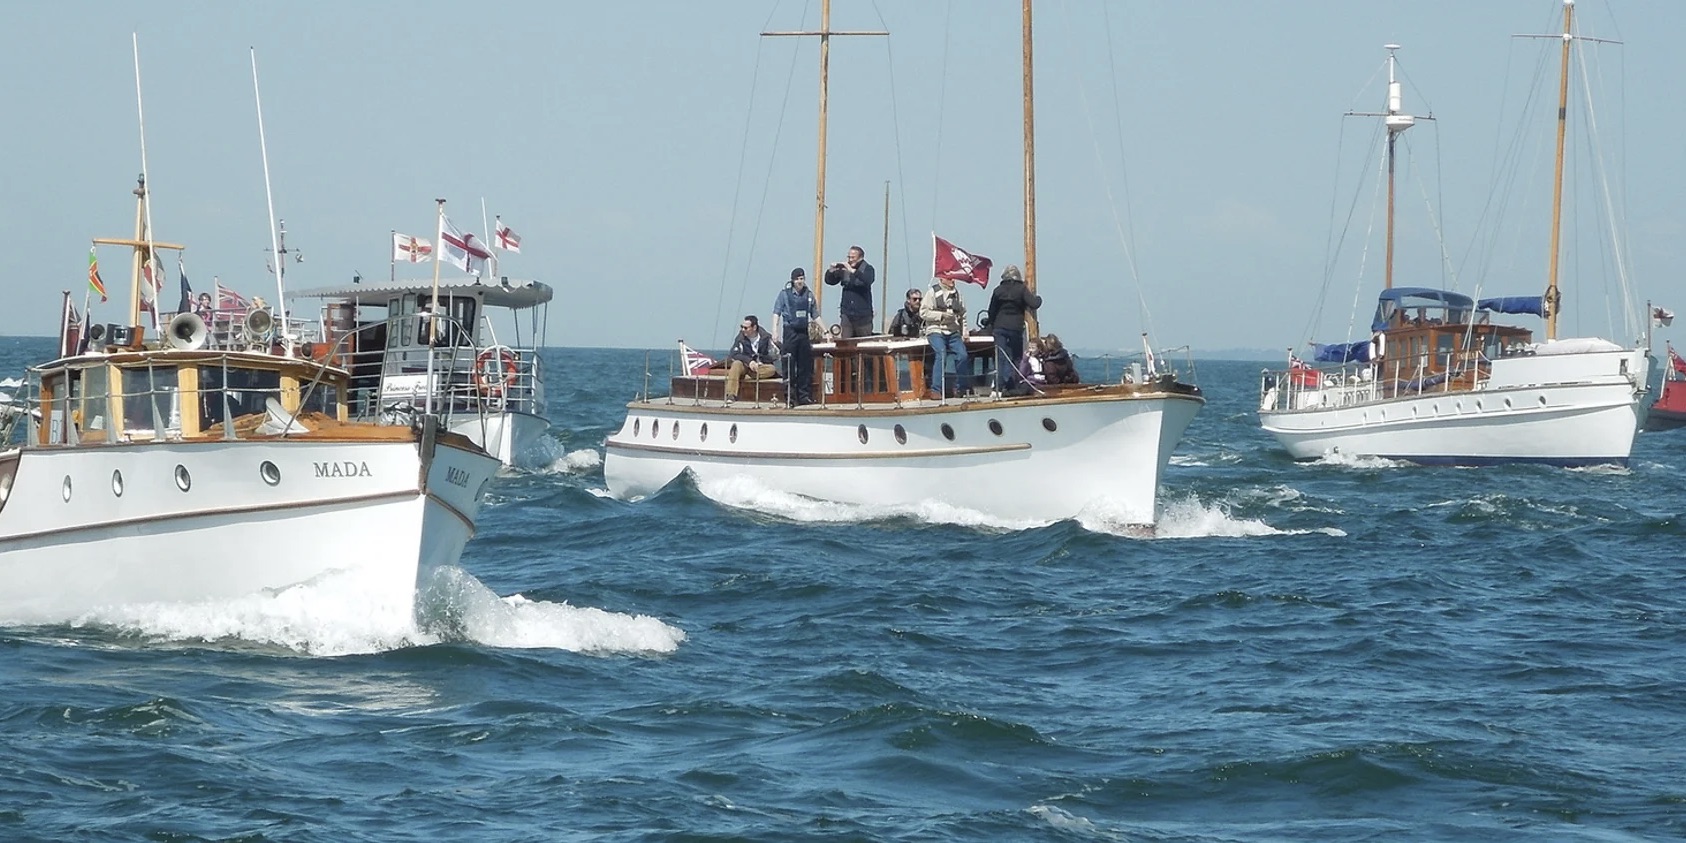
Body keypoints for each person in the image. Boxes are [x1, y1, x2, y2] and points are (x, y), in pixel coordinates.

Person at [985, 264, 1042, 395]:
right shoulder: (1021, 289)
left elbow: (991, 311)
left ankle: (998, 387)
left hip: (1000, 327)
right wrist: (1038, 297)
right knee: (1016, 357)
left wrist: (992, 325)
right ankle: (1014, 385)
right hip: (1015, 328)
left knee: (1000, 357)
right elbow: (1034, 303)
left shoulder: (998, 290)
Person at [773, 267, 819, 405]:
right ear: (792, 280)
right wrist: (775, 330)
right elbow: (776, 312)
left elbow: (815, 315)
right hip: (790, 332)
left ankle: (804, 396)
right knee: (789, 364)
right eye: (798, 279)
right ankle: (790, 398)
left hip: (803, 333)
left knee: (805, 365)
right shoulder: (784, 295)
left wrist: (826, 331)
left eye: (802, 279)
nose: (800, 281)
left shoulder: (809, 295)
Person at [920, 274, 969, 399]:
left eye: (953, 277)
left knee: (962, 355)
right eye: (949, 277)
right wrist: (941, 316)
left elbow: (963, 314)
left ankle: (961, 388)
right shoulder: (932, 293)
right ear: (941, 279)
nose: (952, 280)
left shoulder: (958, 295)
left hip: (953, 331)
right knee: (941, 353)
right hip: (935, 329)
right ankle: (936, 390)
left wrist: (965, 331)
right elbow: (923, 312)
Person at [823, 245, 875, 339]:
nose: (850, 260)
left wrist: (852, 271)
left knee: (865, 345)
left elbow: (868, 280)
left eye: (853, 257)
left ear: (860, 258)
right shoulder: (844, 270)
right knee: (846, 344)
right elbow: (830, 281)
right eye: (849, 257)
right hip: (847, 315)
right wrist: (831, 270)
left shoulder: (868, 269)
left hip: (863, 317)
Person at [724, 315, 779, 404]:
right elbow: (733, 354)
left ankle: (748, 376)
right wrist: (749, 361)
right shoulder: (740, 338)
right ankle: (731, 394)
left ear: (754, 327)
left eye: (746, 328)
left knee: (771, 369)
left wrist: (761, 361)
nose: (743, 330)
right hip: (745, 365)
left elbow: (776, 353)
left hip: (759, 366)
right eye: (742, 327)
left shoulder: (765, 338)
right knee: (736, 364)